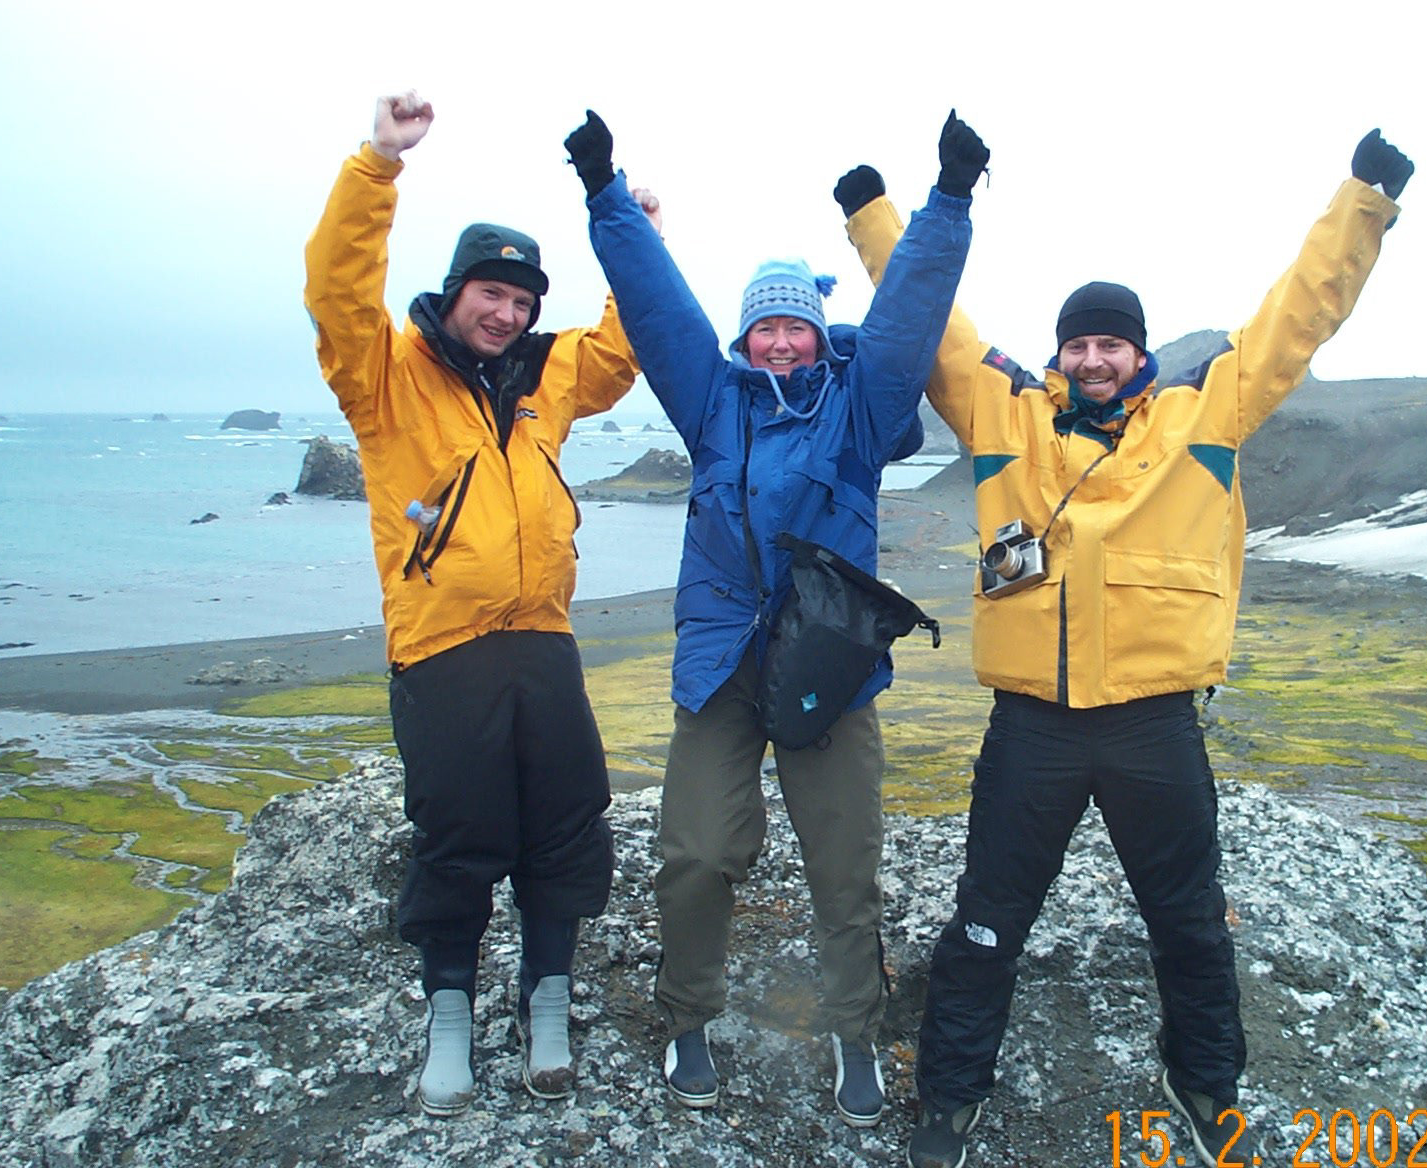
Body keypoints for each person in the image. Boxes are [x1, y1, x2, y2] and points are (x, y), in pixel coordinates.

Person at [836, 129, 1416, 1168]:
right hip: (1033, 726)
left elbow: (1301, 311)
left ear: (1138, 354)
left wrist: (1364, 197)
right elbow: (933, 323)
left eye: (1111, 344)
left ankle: (1205, 1085)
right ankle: (951, 1095)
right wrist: (874, 216)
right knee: (986, 922)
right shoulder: (1002, 412)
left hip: (1156, 722)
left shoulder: (1207, 409)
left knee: (1190, 923)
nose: (1093, 359)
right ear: (1058, 353)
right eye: (1079, 345)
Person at [561, 108, 987, 1128]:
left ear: (814, 333)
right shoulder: (711, 403)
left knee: (844, 867)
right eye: (767, 326)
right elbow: (659, 306)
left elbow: (908, 315)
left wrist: (949, 201)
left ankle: (853, 1032)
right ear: (745, 337)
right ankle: (687, 1016)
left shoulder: (862, 406)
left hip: (828, 667)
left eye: (796, 325)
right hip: (721, 664)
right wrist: (605, 193)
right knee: (696, 854)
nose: (783, 340)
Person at [303, 91, 653, 1116]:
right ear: (454, 292)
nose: (506, 313)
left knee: (565, 829)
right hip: (442, 649)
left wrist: (636, 239)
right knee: (456, 839)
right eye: (490, 293)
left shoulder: (543, 378)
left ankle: (547, 999)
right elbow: (337, 292)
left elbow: (621, 350)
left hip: (542, 641)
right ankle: (449, 1013)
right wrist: (377, 164)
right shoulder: (385, 375)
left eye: (521, 300)